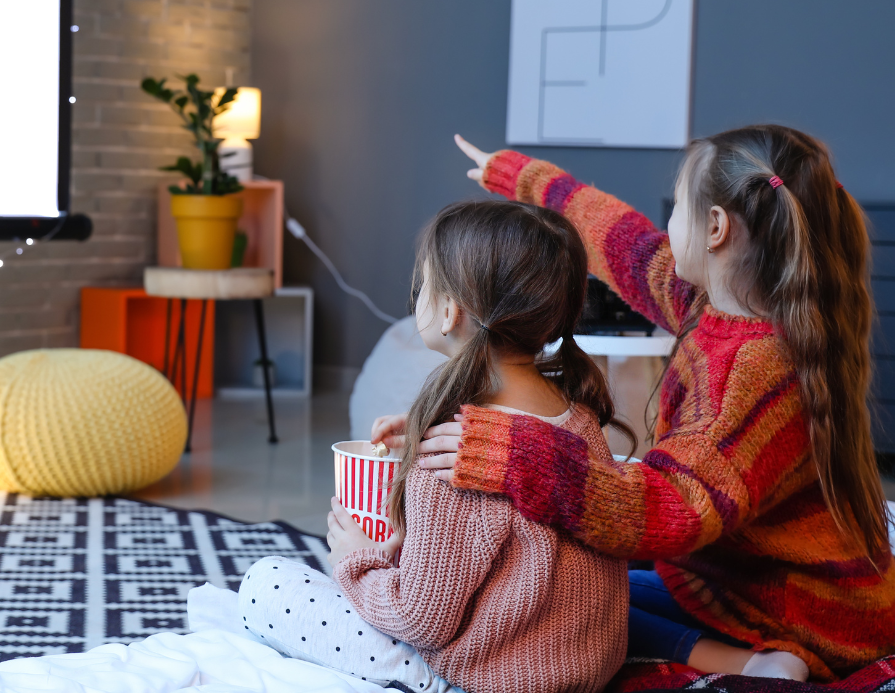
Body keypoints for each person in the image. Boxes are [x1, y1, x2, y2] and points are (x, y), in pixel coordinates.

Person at [373, 126, 895, 683]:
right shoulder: (714, 307)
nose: (665, 226)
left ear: (716, 229)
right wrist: (522, 177)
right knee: (573, 584)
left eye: (677, 207)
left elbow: (669, 511)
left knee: (571, 608)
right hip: (763, 575)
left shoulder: (753, 369)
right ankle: (882, 611)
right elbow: (621, 242)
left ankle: (764, 662)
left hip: (789, 607)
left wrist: (522, 456)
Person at [240, 200, 630, 693]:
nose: (417, 294)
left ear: (449, 312)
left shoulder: (457, 455)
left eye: (423, 283)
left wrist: (357, 561)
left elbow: (422, 622)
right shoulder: (579, 420)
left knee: (265, 583)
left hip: (494, 679)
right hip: (587, 668)